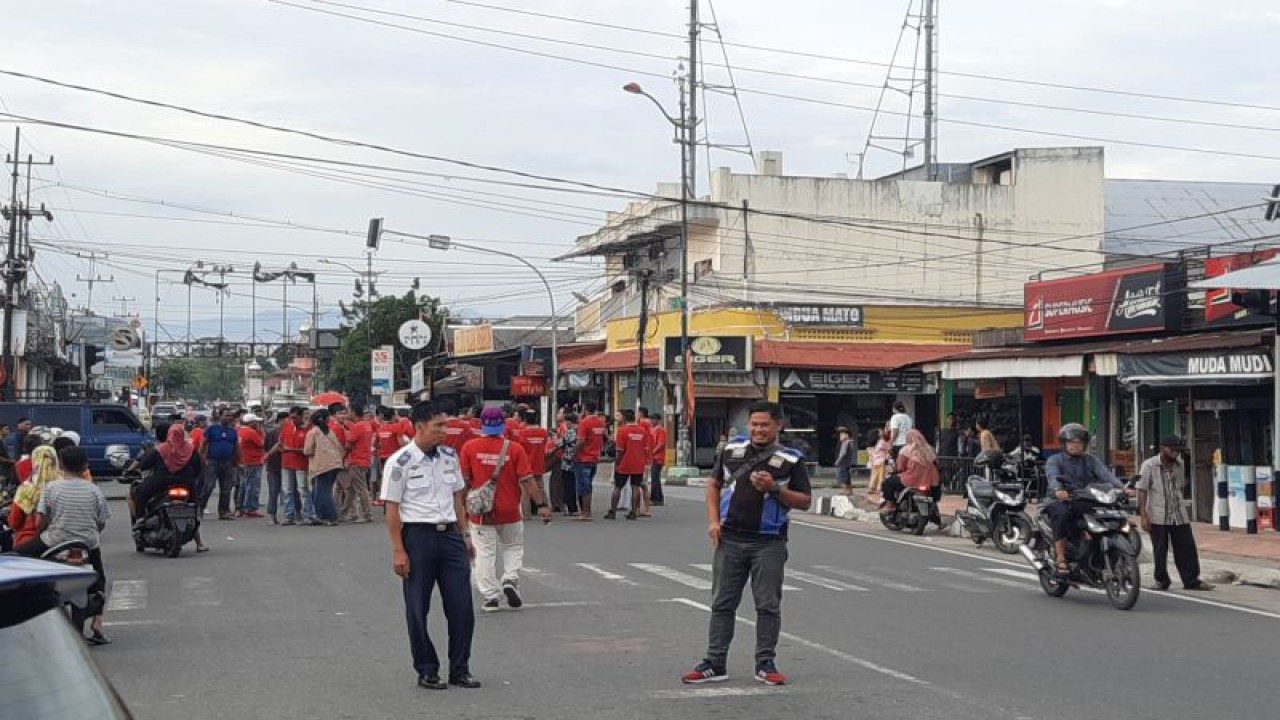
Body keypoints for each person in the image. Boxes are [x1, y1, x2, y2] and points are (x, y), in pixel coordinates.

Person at [683, 401, 812, 687]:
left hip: (769, 542)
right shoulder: (731, 451)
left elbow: (805, 501)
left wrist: (775, 488)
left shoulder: (791, 459)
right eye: (754, 424)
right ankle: (715, 663)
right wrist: (713, 522)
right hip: (729, 539)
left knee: (767, 605)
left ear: (778, 426)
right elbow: (714, 484)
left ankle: (765, 663)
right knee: (721, 603)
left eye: (765, 425)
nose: (758, 430)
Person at [382, 401, 480, 690]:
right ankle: (427, 668)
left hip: (449, 536)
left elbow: (457, 499)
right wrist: (398, 550)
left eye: (446, 425)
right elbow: (392, 509)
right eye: (439, 426)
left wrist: (465, 536)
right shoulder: (400, 462)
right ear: (420, 426)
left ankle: (460, 669)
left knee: (462, 606)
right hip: (418, 538)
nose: (445, 431)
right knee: (417, 607)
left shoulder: (450, 457)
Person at [15, 446, 111, 645]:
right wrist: (89, 533)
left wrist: (46, 529)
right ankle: (97, 624)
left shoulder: (51, 487)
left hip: (53, 540)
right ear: (85, 465)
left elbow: (41, 520)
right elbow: (101, 522)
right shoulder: (94, 490)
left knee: (15, 558)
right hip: (87, 543)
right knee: (100, 580)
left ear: (60, 464)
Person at [460, 407, 550, 613]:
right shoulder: (515, 448)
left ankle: (491, 596)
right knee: (513, 547)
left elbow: (463, 483)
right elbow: (527, 480)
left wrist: (461, 510)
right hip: (510, 510)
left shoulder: (469, 448)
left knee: (484, 554)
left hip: (481, 512)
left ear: (482, 423)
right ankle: (510, 578)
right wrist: (542, 505)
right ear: (503, 424)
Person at [1044, 423, 1127, 576]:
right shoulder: (1055, 460)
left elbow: (1106, 475)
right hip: (1061, 500)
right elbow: (1052, 476)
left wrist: (1122, 488)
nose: (1076, 446)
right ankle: (1061, 557)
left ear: (1084, 444)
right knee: (1062, 514)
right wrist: (1058, 489)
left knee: (1109, 513)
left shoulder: (1091, 460)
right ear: (1064, 444)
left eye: (1079, 442)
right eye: (1072, 442)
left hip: (1086, 499)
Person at [1137, 436, 1213, 591]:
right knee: (1160, 549)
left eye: (1178, 450)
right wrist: (1143, 515)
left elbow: (1178, 487)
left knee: (1186, 548)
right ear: (1163, 448)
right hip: (1158, 514)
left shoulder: (1180, 464)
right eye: (1172, 450)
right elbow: (1142, 490)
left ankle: (1191, 580)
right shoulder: (1149, 465)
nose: (1175, 453)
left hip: (1179, 513)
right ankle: (1161, 580)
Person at [128, 423, 209, 553]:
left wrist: (129, 470)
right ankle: (199, 543)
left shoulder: (161, 449)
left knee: (140, 492)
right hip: (186, 484)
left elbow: (144, 464)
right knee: (192, 510)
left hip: (161, 482)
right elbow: (199, 468)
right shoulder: (190, 449)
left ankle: (140, 519)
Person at [8, 446, 59, 549]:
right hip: (59, 543)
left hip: (27, 542)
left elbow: (14, 523)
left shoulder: (25, 488)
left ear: (34, 461)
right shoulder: (64, 486)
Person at [880, 429, 940, 513]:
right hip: (932, 481)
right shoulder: (930, 449)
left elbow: (900, 467)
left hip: (912, 479)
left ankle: (890, 505)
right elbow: (937, 463)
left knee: (887, 483)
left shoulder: (906, 449)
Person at [605, 409, 650, 521]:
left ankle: (612, 511)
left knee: (618, 487)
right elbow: (646, 448)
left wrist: (617, 462)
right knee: (635, 487)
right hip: (638, 463)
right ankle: (634, 512)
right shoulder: (642, 431)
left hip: (624, 463)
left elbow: (620, 450)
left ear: (624, 418)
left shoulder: (622, 431)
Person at [303, 408, 344, 527]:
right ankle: (322, 515)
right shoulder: (329, 431)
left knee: (322, 492)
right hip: (334, 463)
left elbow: (307, 451)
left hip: (321, 465)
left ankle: (330, 516)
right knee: (323, 491)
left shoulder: (312, 432)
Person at [337, 406, 376, 524]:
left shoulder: (358, 426)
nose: (346, 413)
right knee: (351, 488)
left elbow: (348, 444)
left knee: (360, 488)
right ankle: (344, 512)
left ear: (353, 412)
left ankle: (367, 514)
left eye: (348, 411)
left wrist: (342, 458)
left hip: (357, 460)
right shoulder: (366, 424)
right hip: (364, 459)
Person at [200, 410, 240, 520]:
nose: (228, 418)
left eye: (230, 416)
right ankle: (200, 508)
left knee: (226, 488)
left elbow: (236, 446)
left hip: (227, 462)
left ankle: (224, 512)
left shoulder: (232, 431)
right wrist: (202, 458)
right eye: (226, 415)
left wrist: (236, 461)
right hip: (212, 461)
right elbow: (204, 443)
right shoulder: (212, 429)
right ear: (220, 416)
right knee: (209, 486)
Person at [280, 406, 315, 525]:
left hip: (301, 464)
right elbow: (281, 442)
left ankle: (308, 515)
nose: (293, 420)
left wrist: (291, 449)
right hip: (287, 462)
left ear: (301, 416)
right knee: (287, 490)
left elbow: (309, 449)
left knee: (303, 490)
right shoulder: (287, 426)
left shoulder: (309, 429)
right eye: (291, 418)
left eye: (295, 418)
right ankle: (289, 516)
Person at [573, 404, 607, 521]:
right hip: (594, 457)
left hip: (583, 458)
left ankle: (585, 512)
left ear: (584, 410)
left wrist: (573, 453)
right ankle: (587, 511)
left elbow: (581, 441)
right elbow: (604, 438)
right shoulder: (600, 422)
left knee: (583, 487)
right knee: (588, 485)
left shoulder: (584, 423)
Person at [515, 409, 551, 517]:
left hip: (526, 465)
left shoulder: (522, 432)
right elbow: (544, 445)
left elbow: (520, 449)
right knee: (540, 488)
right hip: (539, 463)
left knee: (525, 491)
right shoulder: (543, 432)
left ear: (525, 419)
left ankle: (526, 514)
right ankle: (546, 510)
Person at [236, 413, 266, 518]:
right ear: (251, 422)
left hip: (244, 460)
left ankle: (240, 507)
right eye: (256, 422)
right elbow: (262, 443)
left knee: (244, 485)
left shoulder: (240, 430)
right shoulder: (251, 432)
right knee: (253, 486)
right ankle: (251, 508)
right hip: (253, 461)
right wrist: (261, 432)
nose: (258, 423)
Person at [263, 411, 287, 524]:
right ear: (280, 421)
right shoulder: (274, 434)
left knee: (278, 491)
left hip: (281, 465)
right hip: (276, 466)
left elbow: (265, 448)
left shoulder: (270, 433)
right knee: (275, 491)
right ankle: (273, 515)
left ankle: (276, 515)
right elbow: (267, 448)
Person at [555, 413, 580, 516]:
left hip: (568, 462)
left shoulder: (570, 432)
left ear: (569, 422)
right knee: (574, 484)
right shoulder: (579, 430)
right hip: (577, 461)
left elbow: (560, 444)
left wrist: (554, 438)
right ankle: (575, 507)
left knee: (568, 485)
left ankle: (571, 508)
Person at [648, 412, 667, 507]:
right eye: (651, 419)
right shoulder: (652, 429)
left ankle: (656, 498)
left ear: (658, 420)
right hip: (653, 457)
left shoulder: (660, 430)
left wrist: (652, 452)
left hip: (657, 458)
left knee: (655, 478)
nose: (651, 421)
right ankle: (657, 498)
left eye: (653, 419)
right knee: (654, 478)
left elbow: (661, 444)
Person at [833, 427, 856, 496]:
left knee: (842, 477)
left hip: (843, 463)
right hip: (848, 463)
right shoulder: (851, 442)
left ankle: (845, 491)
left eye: (842, 435)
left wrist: (837, 461)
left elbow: (843, 453)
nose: (840, 437)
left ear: (847, 435)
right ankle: (850, 491)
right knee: (847, 478)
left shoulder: (845, 443)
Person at [868, 429, 891, 497]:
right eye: (881, 432)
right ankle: (880, 489)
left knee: (874, 476)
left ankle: (871, 488)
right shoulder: (882, 441)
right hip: (881, 461)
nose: (882, 432)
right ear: (878, 434)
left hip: (875, 462)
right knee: (882, 476)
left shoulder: (875, 442)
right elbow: (888, 449)